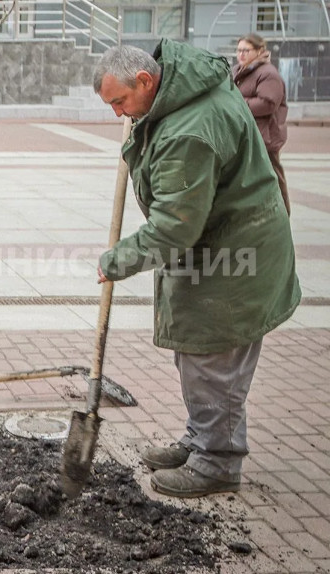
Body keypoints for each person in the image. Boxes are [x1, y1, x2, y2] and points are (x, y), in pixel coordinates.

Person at [93, 40, 300, 498]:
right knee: (199, 358)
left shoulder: (189, 132)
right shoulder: (181, 87)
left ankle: (217, 462)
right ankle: (201, 439)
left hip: (235, 260)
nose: (118, 113)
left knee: (214, 361)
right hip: (222, 244)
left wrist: (117, 260)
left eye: (119, 102)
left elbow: (174, 229)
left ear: (145, 80)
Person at [233, 33, 290, 215]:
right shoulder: (238, 71)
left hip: (265, 137)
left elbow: (268, 103)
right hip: (247, 134)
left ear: (259, 51)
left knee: (272, 177)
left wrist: (237, 102)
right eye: (239, 50)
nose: (241, 54)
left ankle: (282, 214)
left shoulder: (268, 74)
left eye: (246, 50)